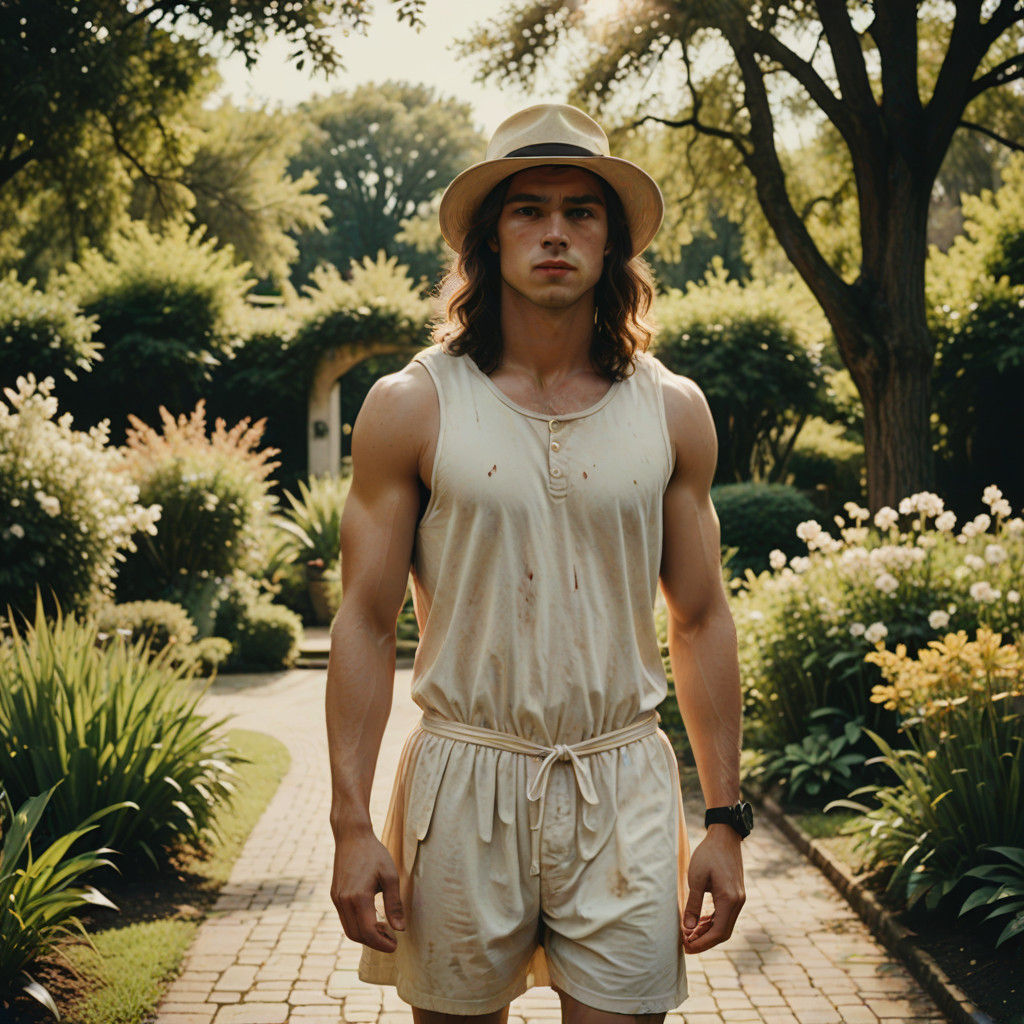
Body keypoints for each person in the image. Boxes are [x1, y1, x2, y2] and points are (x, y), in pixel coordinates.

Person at [327, 103, 751, 1023]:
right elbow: (363, 619)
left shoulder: (673, 409)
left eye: (581, 211)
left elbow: (701, 615)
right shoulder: (411, 405)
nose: (555, 230)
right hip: (463, 783)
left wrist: (725, 817)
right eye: (528, 209)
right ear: (488, 240)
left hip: (623, 781)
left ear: (613, 244)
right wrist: (352, 823)